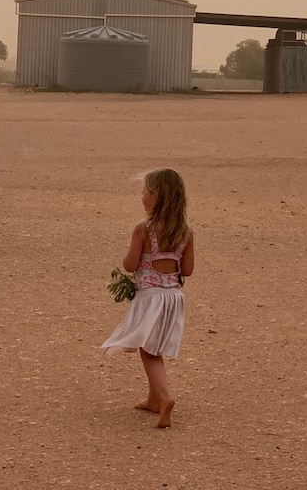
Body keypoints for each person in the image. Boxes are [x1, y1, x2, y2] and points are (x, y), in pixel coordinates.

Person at [101, 168, 195, 428]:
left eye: (144, 192)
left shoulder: (144, 230)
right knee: (156, 345)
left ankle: (165, 398)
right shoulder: (186, 232)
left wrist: (130, 261)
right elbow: (186, 270)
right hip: (173, 298)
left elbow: (130, 265)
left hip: (150, 298)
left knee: (148, 350)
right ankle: (153, 401)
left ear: (155, 197)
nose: (141, 196)